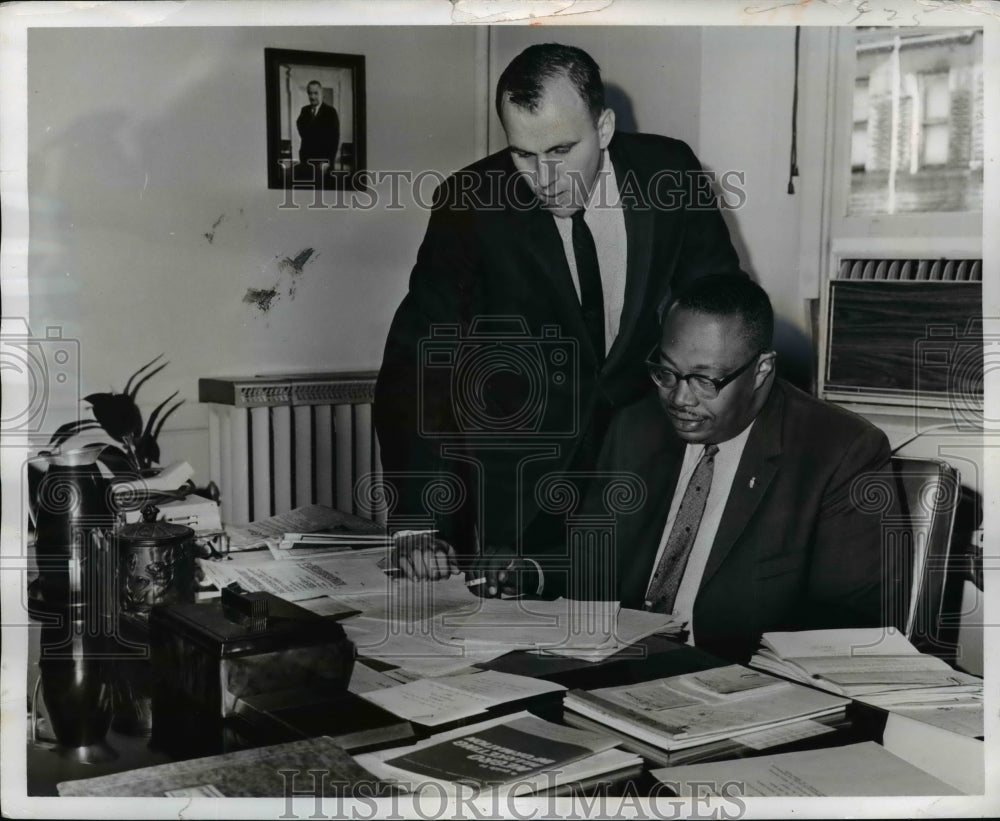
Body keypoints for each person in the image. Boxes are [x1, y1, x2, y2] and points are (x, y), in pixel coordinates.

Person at [377, 43, 740, 574]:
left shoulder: (670, 172)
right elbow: (417, 361)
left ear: (604, 128)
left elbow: (724, 309)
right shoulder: (469, 203)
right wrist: (416, 521)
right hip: (520, 486)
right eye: (523, 155)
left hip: (645, 468)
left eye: (561, 150)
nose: (544, 178)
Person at [295, 80, 340, 182]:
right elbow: (299, 125)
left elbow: (334, 140)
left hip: (323, 161)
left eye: (316, 93)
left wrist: (328, 161)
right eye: (310, 93)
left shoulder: (331, 112)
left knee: (324, 187)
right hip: (306, 159)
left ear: (322, 94)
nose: (312, 96)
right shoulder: (304, 110)